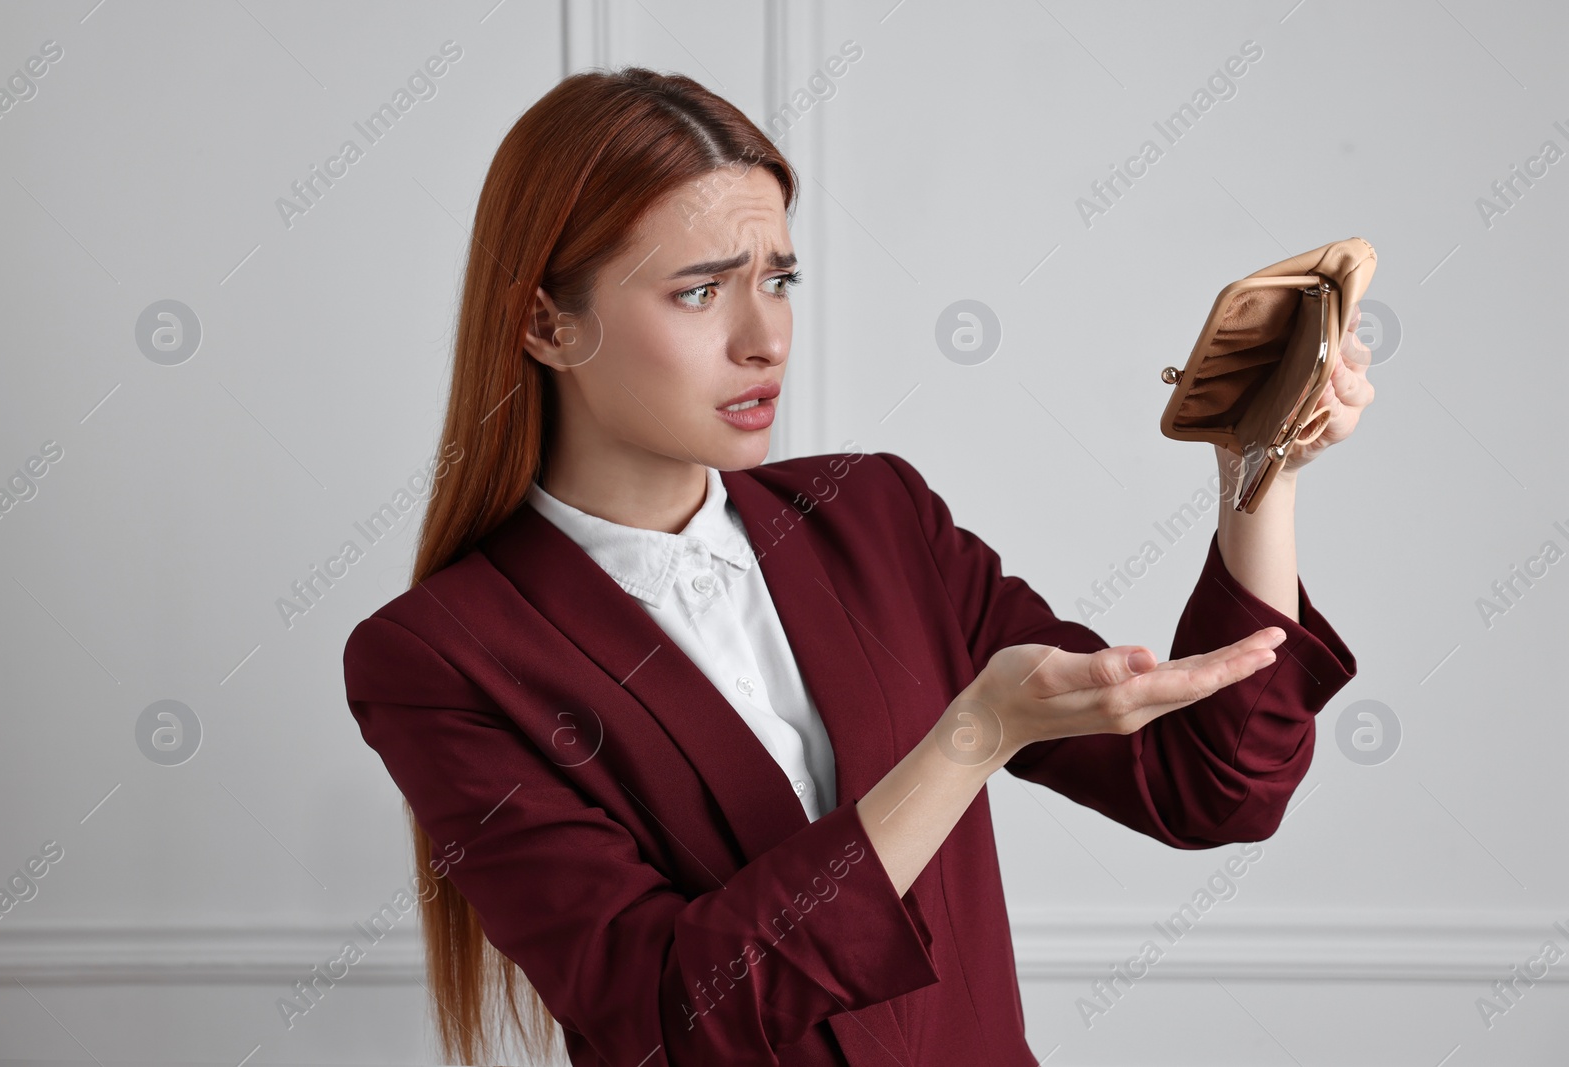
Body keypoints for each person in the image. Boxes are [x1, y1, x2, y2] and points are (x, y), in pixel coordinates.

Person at [341, 66, 1370, 1067]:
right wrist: (971, 736)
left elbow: (1209, 787)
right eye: (699, 291)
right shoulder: (437, 657)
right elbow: (666, 1012)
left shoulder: (875, 516)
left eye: (778, 280)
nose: (765, 338)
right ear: (546, 322)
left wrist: (1257, 468)